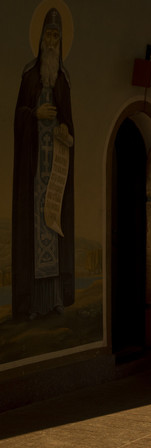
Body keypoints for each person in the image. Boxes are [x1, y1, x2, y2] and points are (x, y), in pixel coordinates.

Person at [13, 8, 75, 321]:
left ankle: (55, 299)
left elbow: (68, 121)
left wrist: (65, 130)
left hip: (57, 170)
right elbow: (18, 116)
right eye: (48, 35)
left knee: (54, 229)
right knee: (37, 230)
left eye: (56, 36)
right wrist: (34, 115)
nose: (52, 41)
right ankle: (34, 303)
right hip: (35, 169)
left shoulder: (63, 80)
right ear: (40, 39)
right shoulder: (29, 75)